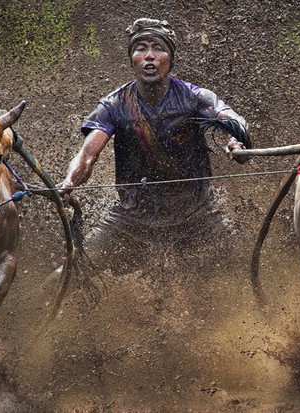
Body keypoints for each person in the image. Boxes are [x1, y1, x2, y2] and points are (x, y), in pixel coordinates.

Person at [57, 18, 250, 276]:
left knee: (245, 265)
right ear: (132, 59)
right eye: (141, 49)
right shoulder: (114, 105)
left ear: (170, 58)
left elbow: (233, 119)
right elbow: (87, 156)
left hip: (196, 214)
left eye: (158, 48)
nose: (149, 56)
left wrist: (237, 140)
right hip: (133, 217)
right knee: (69, 275)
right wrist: (68, 182)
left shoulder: (194, 97)